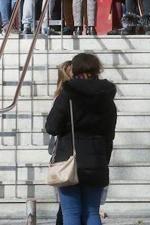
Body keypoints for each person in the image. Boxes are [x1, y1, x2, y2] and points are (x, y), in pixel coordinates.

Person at [45, 53, 117, 225]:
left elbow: (52, 127)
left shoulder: (67, 94)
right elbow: (109, 134)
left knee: (70, 213)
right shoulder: (107, 97)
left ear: (75, 70)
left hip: (69, 160)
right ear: (97, 69)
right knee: (92, 212)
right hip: (97, 160)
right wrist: (103, 159)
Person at [49, 60, 72, 225]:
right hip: (89, 155)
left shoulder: (61, 96)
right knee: (89, 209)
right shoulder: (66, 95)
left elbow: (52, 127)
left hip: (66, 153)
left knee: (66, 207)